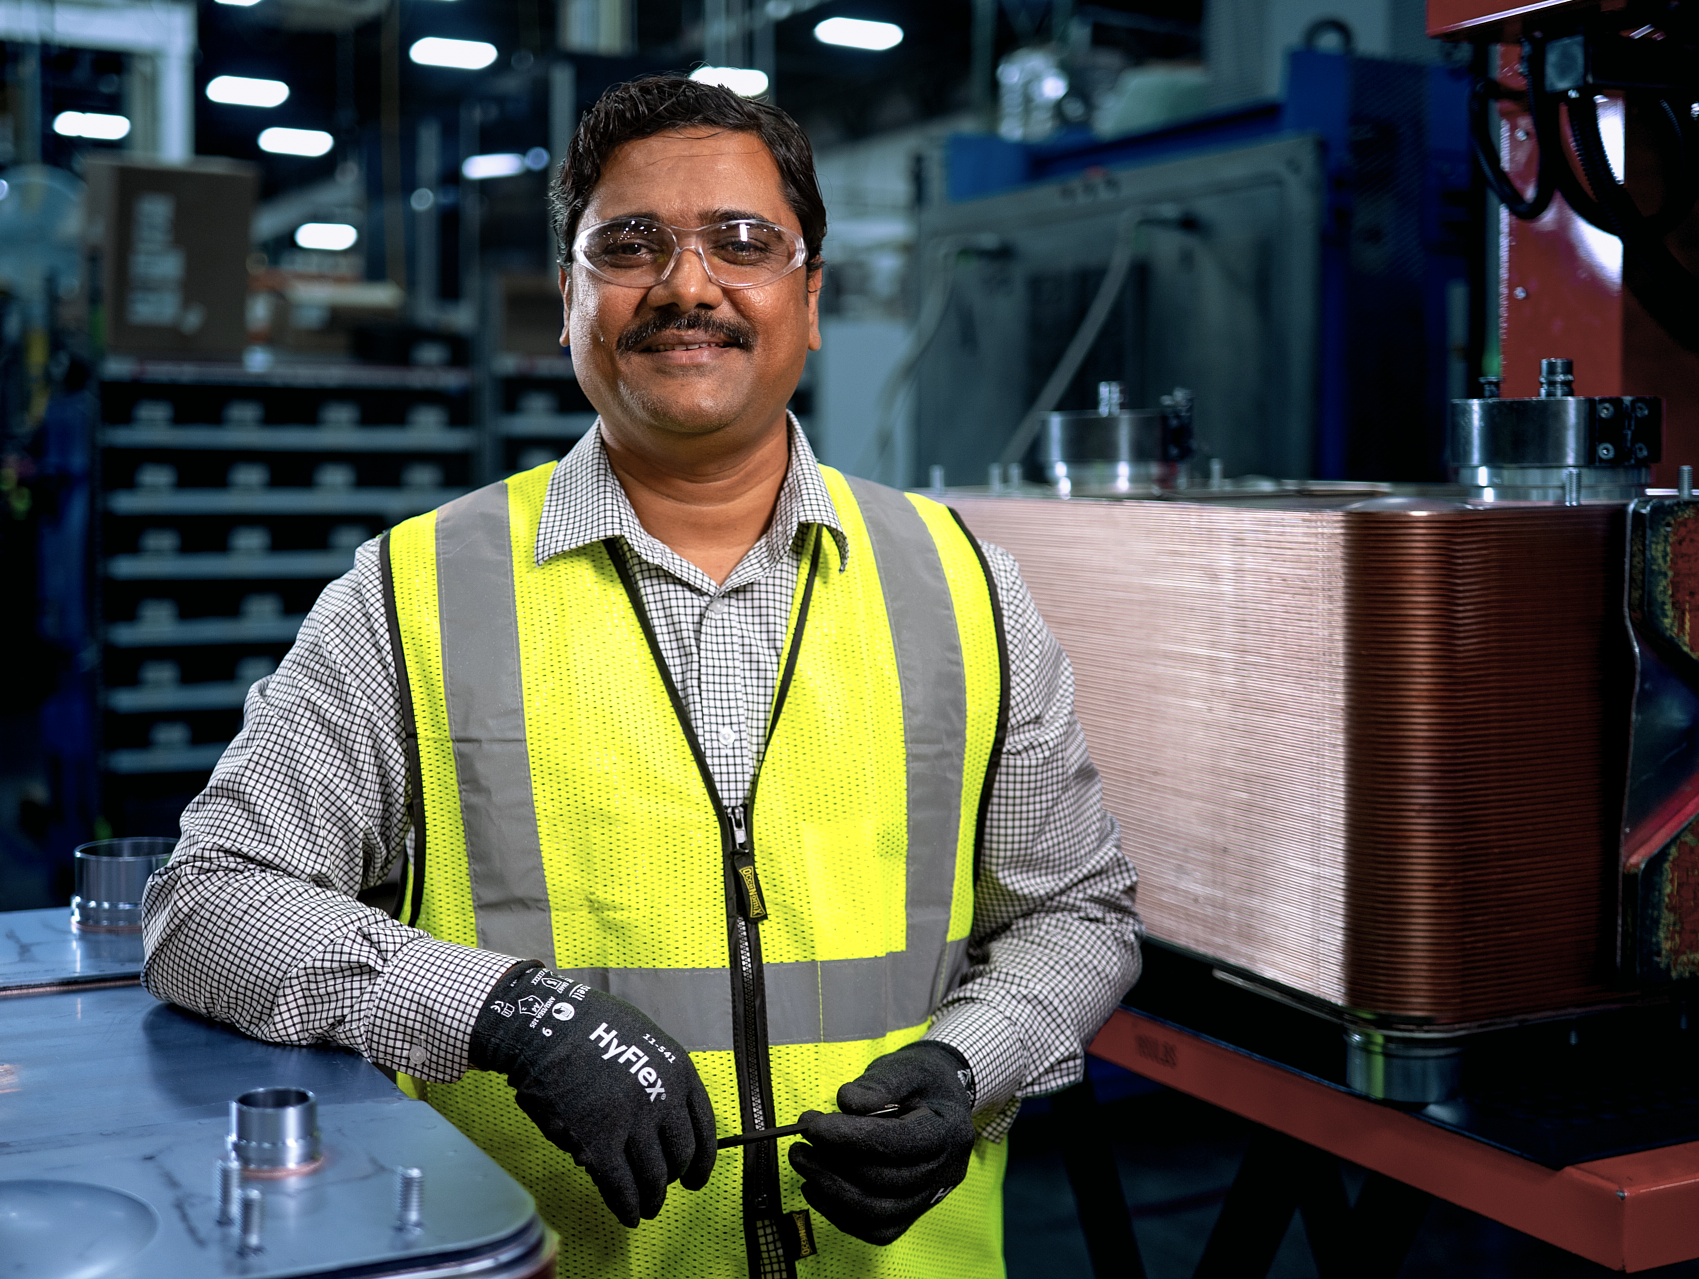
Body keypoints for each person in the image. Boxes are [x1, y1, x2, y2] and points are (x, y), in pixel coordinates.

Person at [143, 73, 1141, 1278]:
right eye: (627, 246)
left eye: (741, 243)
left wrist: (967, 1065)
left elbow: (1074, 915)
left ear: (808, 298)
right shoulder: (414, 593)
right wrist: (504, 1014)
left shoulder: (961, 583)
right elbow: (209, 906)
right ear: (568, 299)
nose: (685, 285)